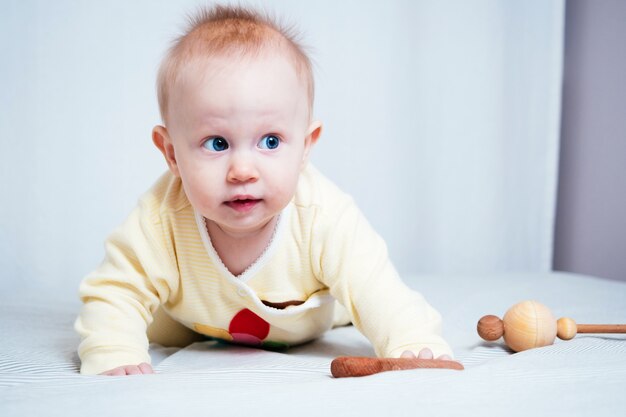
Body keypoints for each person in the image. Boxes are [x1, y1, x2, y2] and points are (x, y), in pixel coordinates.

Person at [74, 4, 454, 376]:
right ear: (172, 154)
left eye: (270, 141)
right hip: (190, 317)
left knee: (355, 299)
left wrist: (411, 342)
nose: (242, 171)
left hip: (306, 324)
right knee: (148, 321)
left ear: (306, 146)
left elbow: (377, 287)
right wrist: (114, 350)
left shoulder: (322, 215)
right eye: (217, 143)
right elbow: (116, 290)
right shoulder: (160, 218)